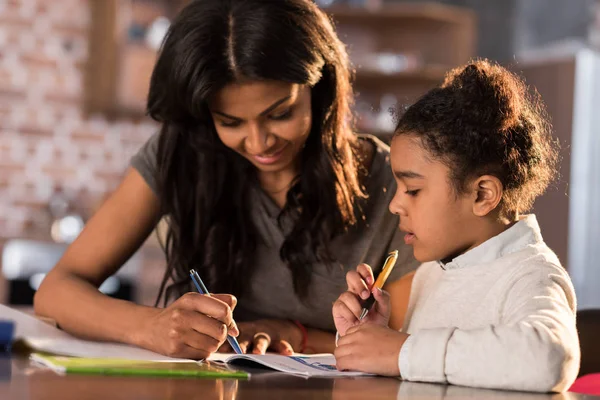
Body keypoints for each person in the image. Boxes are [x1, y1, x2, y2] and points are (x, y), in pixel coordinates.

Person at [34, 0, 418, 359]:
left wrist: (293, 332)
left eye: (279, 113)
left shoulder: (392, 184)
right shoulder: (183, 153)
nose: (259, 142)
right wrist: (151, 326)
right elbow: (56, 292)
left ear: (320, 93)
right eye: (229, 123)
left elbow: (401, 344)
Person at [332, 60, 580, 392]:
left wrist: (402, 351)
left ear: (482, 194)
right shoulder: (432, 273)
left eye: (413, 190)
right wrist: (368, 337)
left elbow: (549, 358)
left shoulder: (530, 274)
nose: (394, 205)